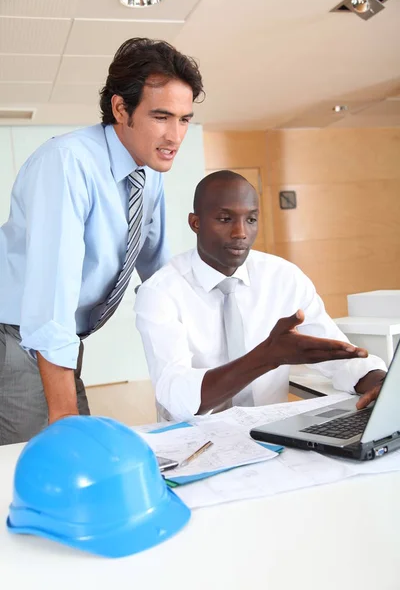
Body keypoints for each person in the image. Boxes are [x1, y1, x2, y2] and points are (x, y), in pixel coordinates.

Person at [0, 37, 204, 445]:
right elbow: (49, 297)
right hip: (18, 333)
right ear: (120, 108)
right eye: (162, 116)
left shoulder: (147, 175)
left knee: (76, 449)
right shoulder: (68, 163)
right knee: (35, 459)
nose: (175, 135)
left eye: (184, 119)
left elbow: (158, 274)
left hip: (62, 341)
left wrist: (202, 366)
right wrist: (63, 414)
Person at [135, 170, 387, 421]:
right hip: (192, 440)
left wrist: (380, 383)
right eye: (225, 219)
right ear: (195, 223)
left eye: (251, 220)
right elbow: (176, 395)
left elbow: (336, 354)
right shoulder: (160, 292)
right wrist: (266, 357)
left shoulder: (284, 277)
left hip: (271, 433)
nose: (240, 232)